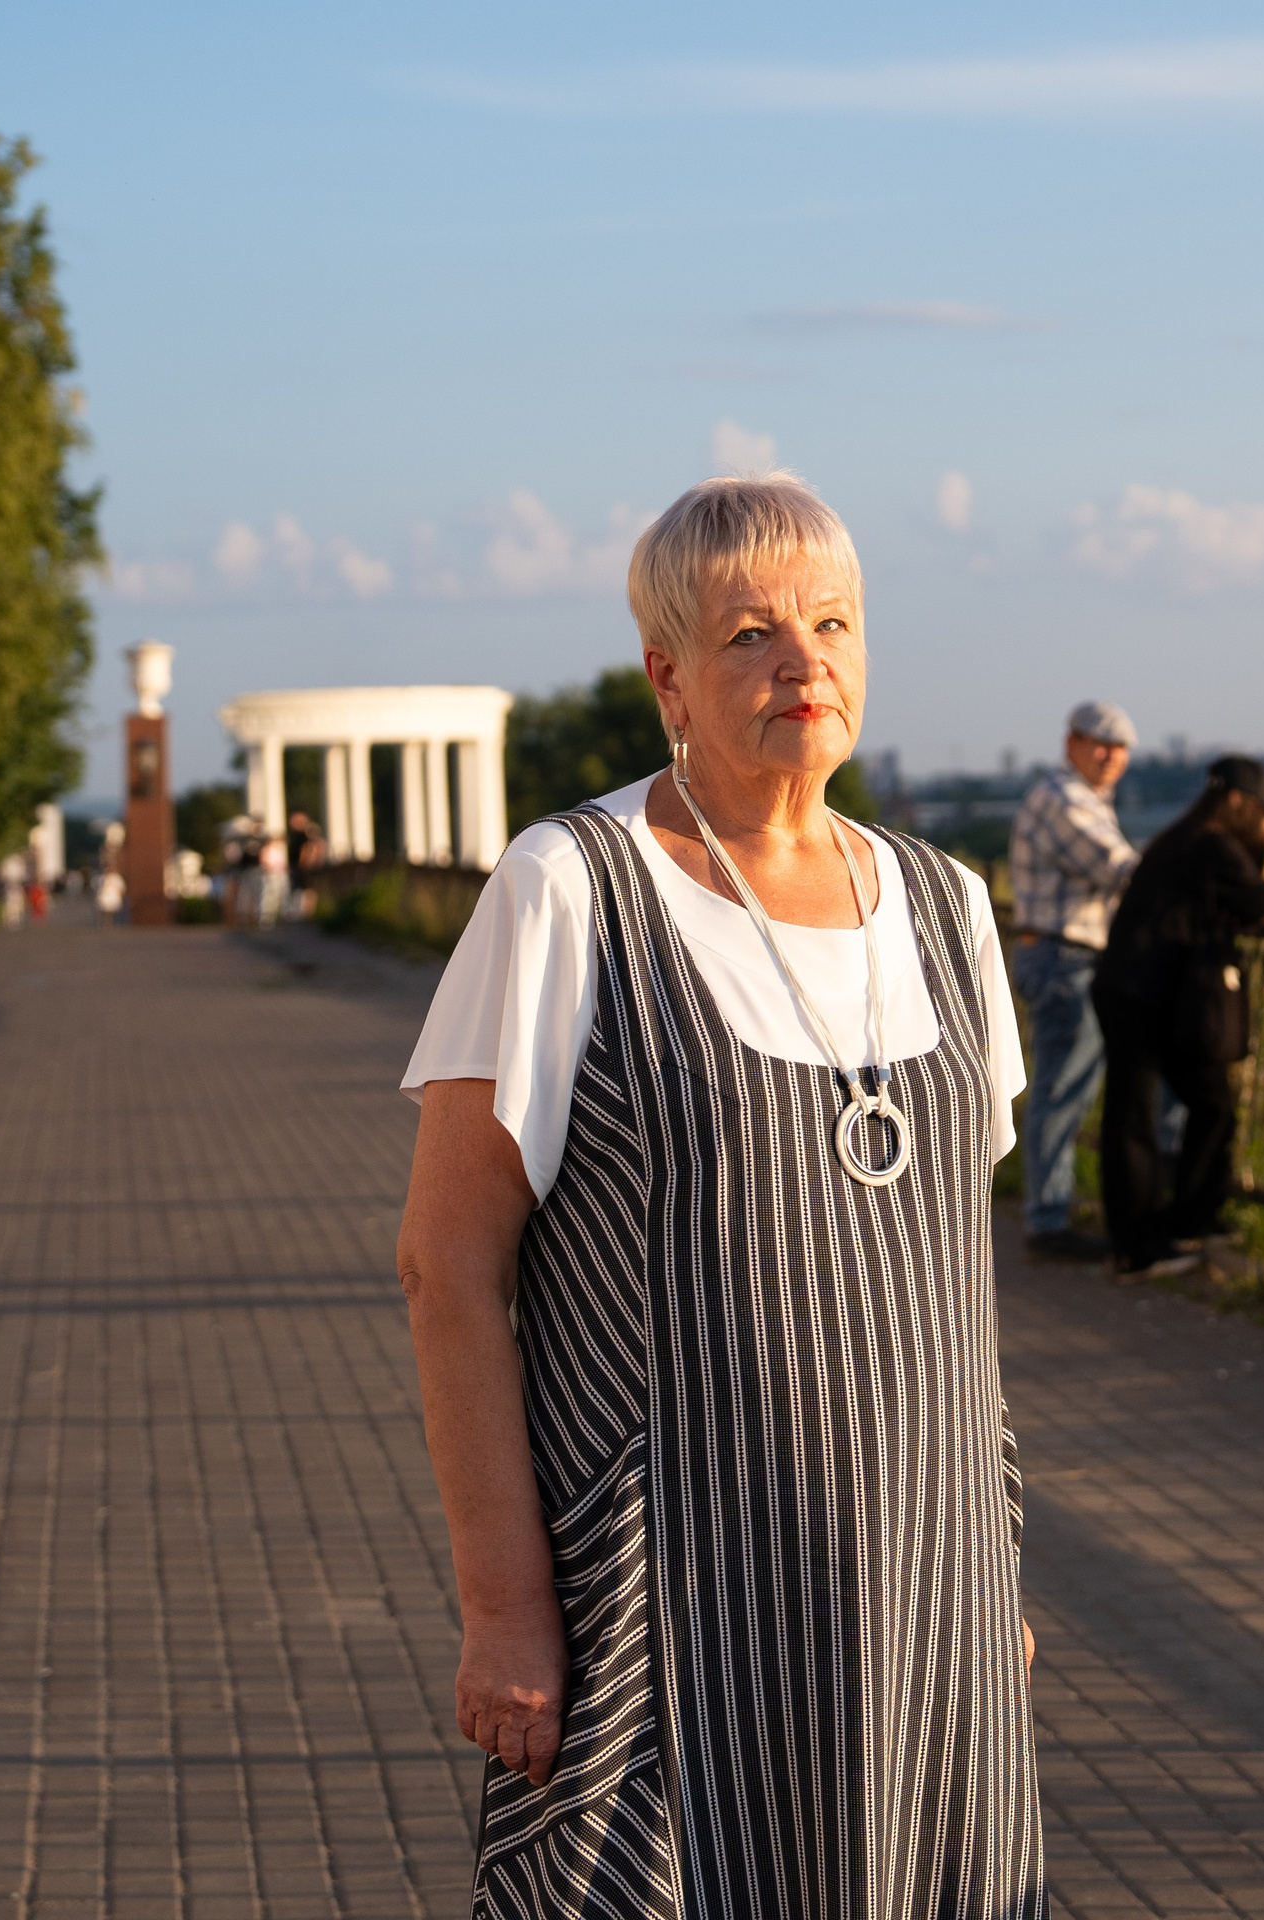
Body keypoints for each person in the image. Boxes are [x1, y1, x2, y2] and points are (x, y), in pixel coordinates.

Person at [395, 472, 1043, 1919]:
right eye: (752, 633)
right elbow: (450, 1268)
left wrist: (990, 1563)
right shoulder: (573, 886)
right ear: (666, 674)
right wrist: (505, 1609)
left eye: (833, 624)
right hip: (667, 1604)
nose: (803, 664)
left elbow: (957, 1288)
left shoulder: (946, 905)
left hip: (918, 1588)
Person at [1091, 755, 1264, 1277]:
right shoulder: (1210, 844)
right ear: (1238, 802)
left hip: (1146, 991)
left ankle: (1185, 1221)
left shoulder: (1184, 838)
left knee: (1206, 1105)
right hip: (1142, 994)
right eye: (1261, 812)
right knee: (1137, 1116)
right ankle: (1139, 1246)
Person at [1006, 699, 1138, 1261]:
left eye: (1121, 747)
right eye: (1098, 743)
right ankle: (1048, 1221)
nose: (1110, 756)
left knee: (1064, 1087)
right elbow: (1122, 870)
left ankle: (1051, 1212)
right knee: (1061, 1091)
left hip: (1065, 955)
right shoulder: (1064, 800)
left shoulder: (1083, 798)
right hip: (1066, 958)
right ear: (1072, 745)